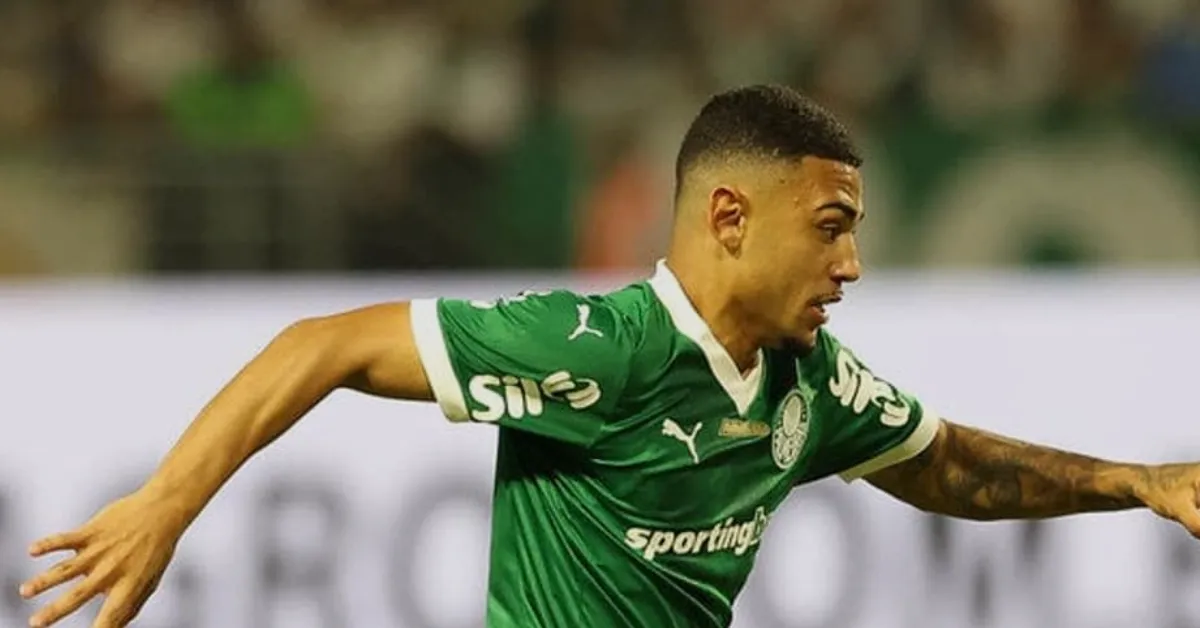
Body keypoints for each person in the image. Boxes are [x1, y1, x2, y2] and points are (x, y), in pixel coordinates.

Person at [19, 84, 1200, 628]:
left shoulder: (811, 382)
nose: (850, 264)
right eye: (830, 227)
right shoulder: (604, 352)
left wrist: (1138, 483)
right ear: (730, 216)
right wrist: (165, 506)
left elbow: (945, 465)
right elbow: (321, 343)